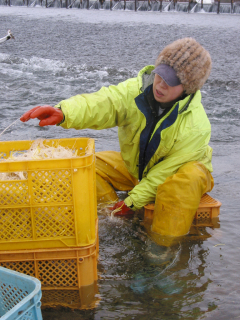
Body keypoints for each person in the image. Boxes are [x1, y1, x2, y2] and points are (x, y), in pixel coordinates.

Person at [20, 37, 214, 238]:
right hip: (141, 169)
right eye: (160, 75)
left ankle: (160, 250)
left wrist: (131, 202)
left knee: (185, 181)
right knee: (88, 166)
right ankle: (112, 216)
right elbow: (104, 103)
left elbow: (165, 173)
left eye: (170, 82)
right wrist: (64, 113)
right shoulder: (136, 91)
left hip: (177, 175)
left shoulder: (197, 125)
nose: (161, 85)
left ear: (188, 88)